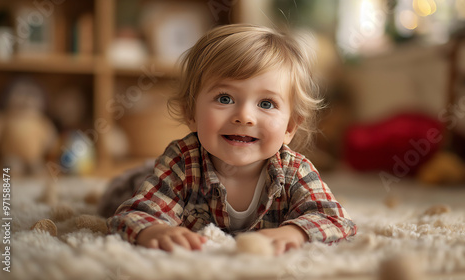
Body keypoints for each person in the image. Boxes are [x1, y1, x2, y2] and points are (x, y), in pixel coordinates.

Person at [107, 23, 356, 255]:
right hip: (146, 179)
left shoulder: (294, 171)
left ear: (289, 127)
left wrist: (296, 232)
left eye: (266, 103)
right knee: (120, 192)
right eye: (225, 98)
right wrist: (154, 229)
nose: (245, 117)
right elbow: (132, 214)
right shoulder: (183, 162)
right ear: (190, 113)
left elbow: (336, 219)